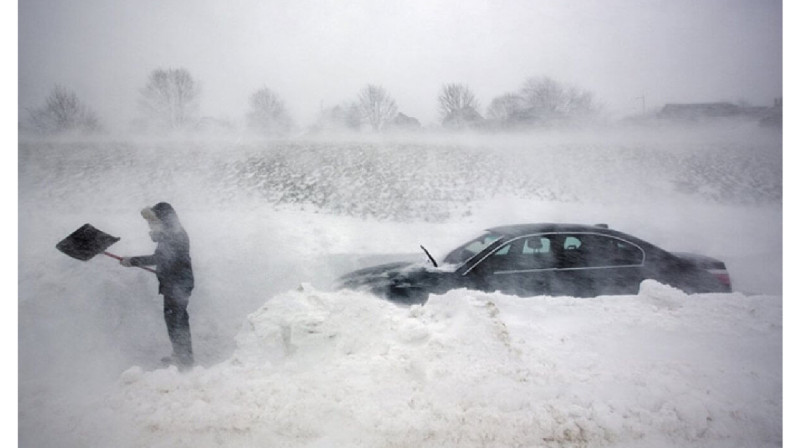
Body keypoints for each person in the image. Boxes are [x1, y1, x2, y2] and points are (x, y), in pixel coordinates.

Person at [121, 202, 195, 370]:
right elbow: (165, 258)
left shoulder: (175, 235)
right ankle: (181, 355)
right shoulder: (171, 233)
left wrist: (132, 261)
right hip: (174, 283)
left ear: (166, 219)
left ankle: (184, 360)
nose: (152, 224)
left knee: (177, 321)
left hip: (178, 284)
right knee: (175, 320)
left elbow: (160, 258)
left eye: (155, 220)